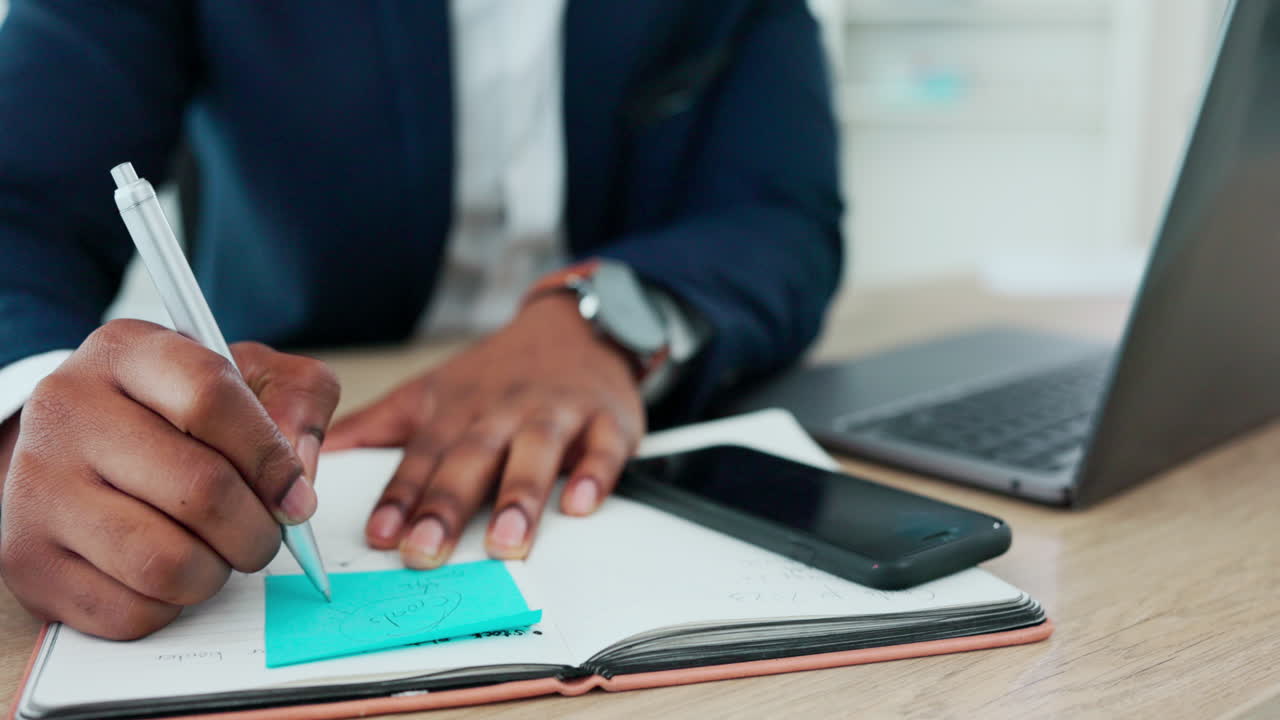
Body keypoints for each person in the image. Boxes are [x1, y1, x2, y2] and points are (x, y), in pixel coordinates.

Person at [0, 0, 842, 639]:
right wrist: (32, 412)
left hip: (631, 416)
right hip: (289, 431)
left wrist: (607, 316)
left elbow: (783, 214)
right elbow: (16, 202)